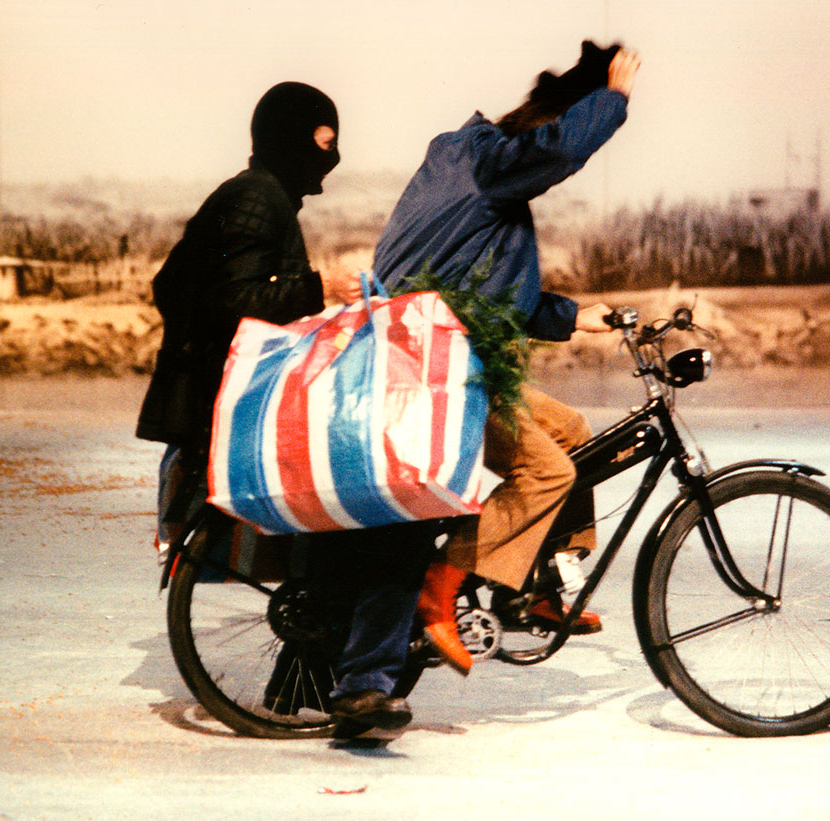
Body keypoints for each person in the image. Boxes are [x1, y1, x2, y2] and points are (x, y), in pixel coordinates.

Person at [136, 81, 425, 733]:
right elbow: (231, 297)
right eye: (324, 143)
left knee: (329, 522)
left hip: (226, 406)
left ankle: (310, 682)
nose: (334, 158)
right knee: (362, 507)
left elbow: (172, 283)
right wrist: (316, 288)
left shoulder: (258, 198)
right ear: (291, 140)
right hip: (233, 415)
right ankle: (353, 682)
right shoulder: (256, 200)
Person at [374, 42, 640, 674]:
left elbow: (489, 290)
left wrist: (576, 317)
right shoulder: (488, 165)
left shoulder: (465, 165)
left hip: (436, 352)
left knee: (573, 434)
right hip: (439, 373)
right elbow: (558, 152)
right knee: (550, 473)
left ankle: (539, 589)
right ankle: (438, 590)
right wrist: (613, 100)